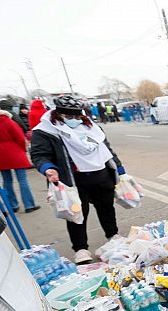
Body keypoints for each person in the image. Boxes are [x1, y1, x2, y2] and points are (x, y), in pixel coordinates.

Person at [30, 95, 126, 264]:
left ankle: (113, 235)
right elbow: (39, 155)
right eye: (68, 116)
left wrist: (118, 167)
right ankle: (80, 248)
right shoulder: (46, 131)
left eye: (77, 116)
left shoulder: (91, 127)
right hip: (73, 180)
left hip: (101, 175)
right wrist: (48, 168)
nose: (74, 120)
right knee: (76, 214)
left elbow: (106, 149)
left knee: (107, 208)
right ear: (58, 114)